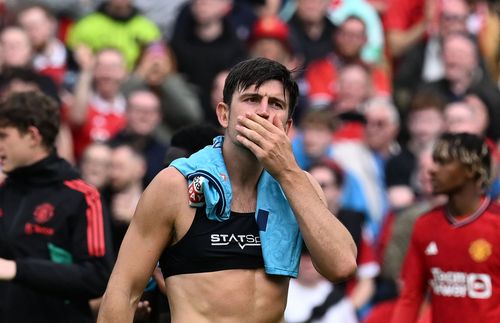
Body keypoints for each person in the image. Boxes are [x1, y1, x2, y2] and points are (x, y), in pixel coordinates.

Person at [97, 57, 357, 322]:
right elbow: (124, 290)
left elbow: (342, 266)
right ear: (224, 114)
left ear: (288, 128)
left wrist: (288, 172)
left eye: (276, 104)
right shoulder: (176, 184)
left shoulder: (299, 186)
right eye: (252, 99)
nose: (264, 112)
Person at [0, 91, 114, 322]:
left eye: (3, 136)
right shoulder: (4, 191)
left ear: (32, 136)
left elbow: (97, 276)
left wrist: (17, 269)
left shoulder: (82, 197)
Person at [390, 132, 500, 322]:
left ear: (471, 169)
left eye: (443, 162)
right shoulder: (425, 224)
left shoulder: (496, 224)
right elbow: (410, 297)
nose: (432, 170)